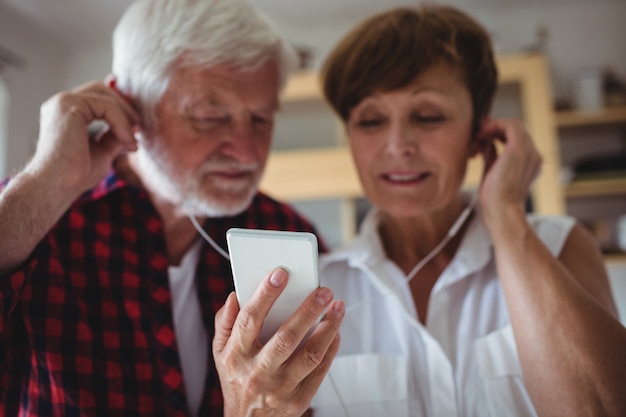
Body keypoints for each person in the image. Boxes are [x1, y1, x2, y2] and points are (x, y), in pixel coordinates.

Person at [0, 0, 344, 416]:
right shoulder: (34, 216)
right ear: (128, 106)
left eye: (261, 119)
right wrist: (47, 182)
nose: (248, 151)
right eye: (210, 116)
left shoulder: (285, 231)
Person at [308, 5, 626, 417]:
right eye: (370, 121)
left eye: (427, 116)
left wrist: (507, 214)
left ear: (480, 132)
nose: (398, 145)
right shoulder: (320, 290)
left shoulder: (560, 246)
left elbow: (604, 408)